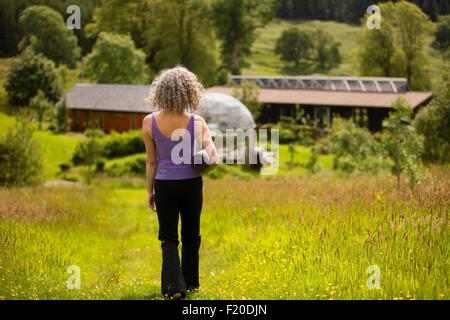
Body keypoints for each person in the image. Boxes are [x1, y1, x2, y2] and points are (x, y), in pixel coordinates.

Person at [142, 66, 218, 300]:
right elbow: (214, 159)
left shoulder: (149, 122)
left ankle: (175, 287)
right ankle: (192, 283)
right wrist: (201, 165)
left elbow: (151, 161)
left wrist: (150, 191)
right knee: (191, 235)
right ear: (189, 92)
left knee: (168, 237)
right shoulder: (197, 122)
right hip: (191, 185)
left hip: (165, 185)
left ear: (161, 91)